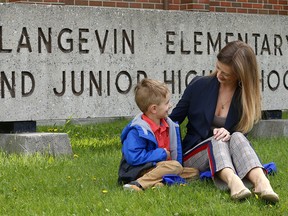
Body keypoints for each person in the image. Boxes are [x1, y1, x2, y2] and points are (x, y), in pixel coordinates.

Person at [169, 40, 279, 203]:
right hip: (195, 153)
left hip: (228, 154)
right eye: (218, 68)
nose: (219, 75)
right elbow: (172, 120)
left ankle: (262, 182)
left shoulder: (245, 98)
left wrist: (230, 133)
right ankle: (233, 182)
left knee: (238, 137)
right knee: (217, 141)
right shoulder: (198, 85)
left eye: (225, 74)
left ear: (240, 75)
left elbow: (241, 135)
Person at [117, 78, 185, 191]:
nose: (170, 105)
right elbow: (134, 157)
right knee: (175, 167)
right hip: (138, 170)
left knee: (194, 172)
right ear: (154, 108)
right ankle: (137, 184)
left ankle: (159, 182)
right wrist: (161, 153)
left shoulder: (168, 125)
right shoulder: (137, 131)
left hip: (163, 167)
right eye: (167, 103)